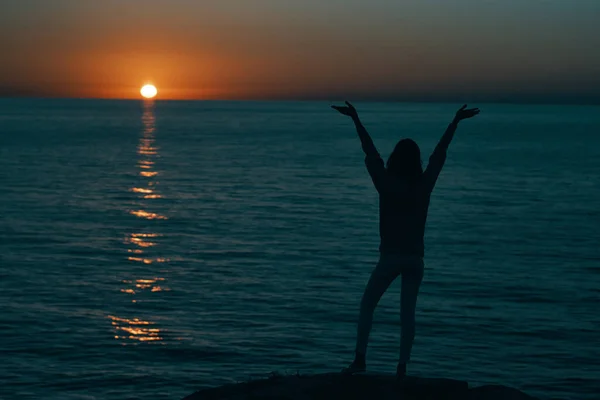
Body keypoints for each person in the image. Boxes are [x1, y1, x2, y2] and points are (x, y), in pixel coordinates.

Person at [331, 102, 480, 379]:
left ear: (395, 159)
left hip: (390, 257)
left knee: (367, 305)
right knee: (407, 314)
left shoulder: (386, 183)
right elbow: (439, 156)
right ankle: (402, 367)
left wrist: (356, 119)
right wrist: (454, 123)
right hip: (415, 259)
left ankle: (360, 359)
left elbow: (370, 151)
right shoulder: (424, 185)